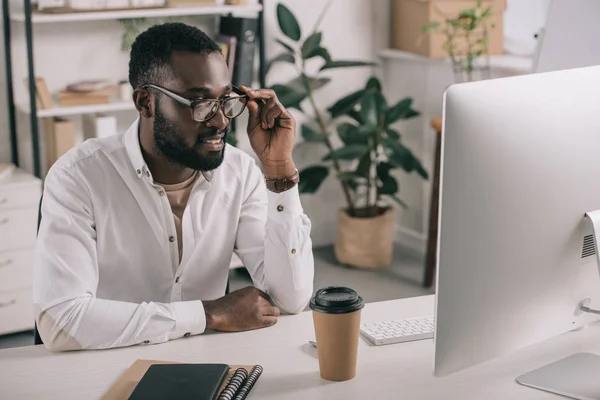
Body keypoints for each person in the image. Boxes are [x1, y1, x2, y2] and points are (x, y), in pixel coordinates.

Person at [33, 22, 315, 351]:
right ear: (146, 103)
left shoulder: (240, 173)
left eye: (226, 100)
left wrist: (279, 173)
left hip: (206, 365)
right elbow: (61, 321)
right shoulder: (78, 177)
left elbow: (290, 298)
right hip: (104, 367)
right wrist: (208, 314)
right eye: (200, 103)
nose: (221, 121)